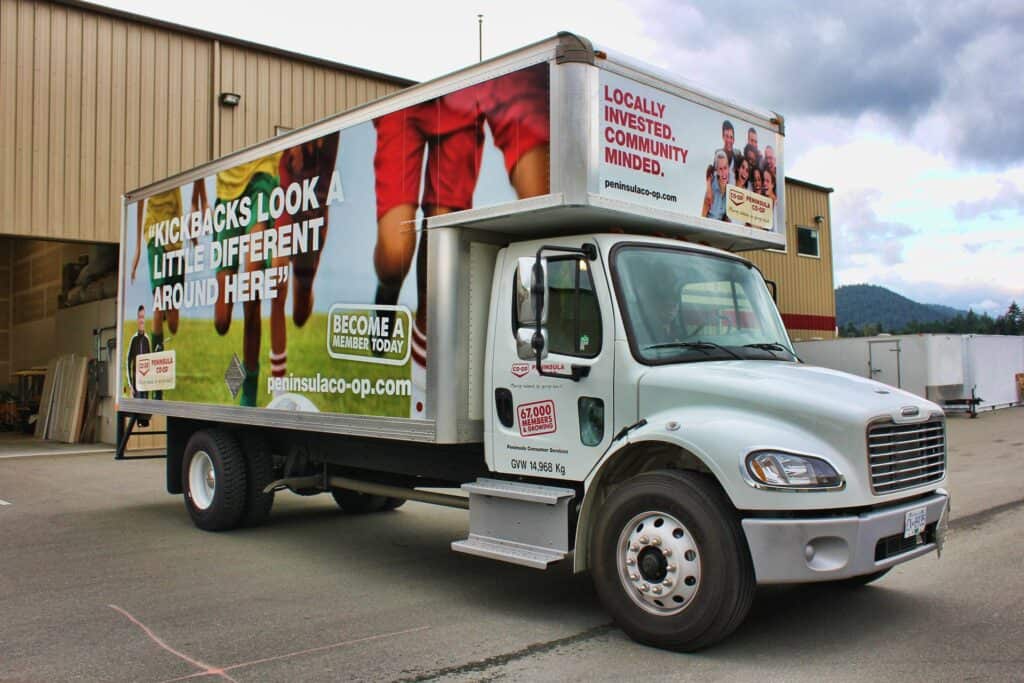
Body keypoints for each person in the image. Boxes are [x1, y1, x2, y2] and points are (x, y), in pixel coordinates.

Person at [372, 63, 550, 417]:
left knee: (442, 234)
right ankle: (388, 289)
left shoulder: (515, 80)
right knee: (396, 254)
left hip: (465, 106)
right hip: (407, 107)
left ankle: (423, 400)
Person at [267, 133, 340, 388]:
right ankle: (278, 386)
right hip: (289, 201)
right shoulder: (290, 153)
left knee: (299, 314)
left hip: (314, 217)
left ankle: (308, 292)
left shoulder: (331, 143)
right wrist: (296, 144)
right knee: (277, 284)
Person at [213, 153, 282, 407]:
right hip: (227, 197)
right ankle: (239, 371)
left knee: (252, 289)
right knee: (221, 321)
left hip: (261, 181)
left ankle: (249, 387)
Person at [130, 180, 206, 353]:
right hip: (154, 233)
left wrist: (194, 216)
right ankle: (156, 360)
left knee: (173, 324)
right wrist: (137, 248)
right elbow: (139, 199)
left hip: (174, 237)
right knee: (160, 299)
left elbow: (197, 181)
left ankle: (165, 310)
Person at [126, 305, 151, 400]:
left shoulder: (147, 340)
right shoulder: (134, 339)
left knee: (145, 412)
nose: (142, 320)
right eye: (140, 317)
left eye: (143, 317)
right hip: (136, 388)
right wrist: (130, 385)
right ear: (137, 319)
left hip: (145, 388)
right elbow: (128, 362)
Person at [702, 149, 730, 221]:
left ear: (728, 168)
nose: (724, 172)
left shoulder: (730, 189)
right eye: (720, 169)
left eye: (725, 168)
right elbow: (702, 218)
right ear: (716, 171)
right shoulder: (711, 189)